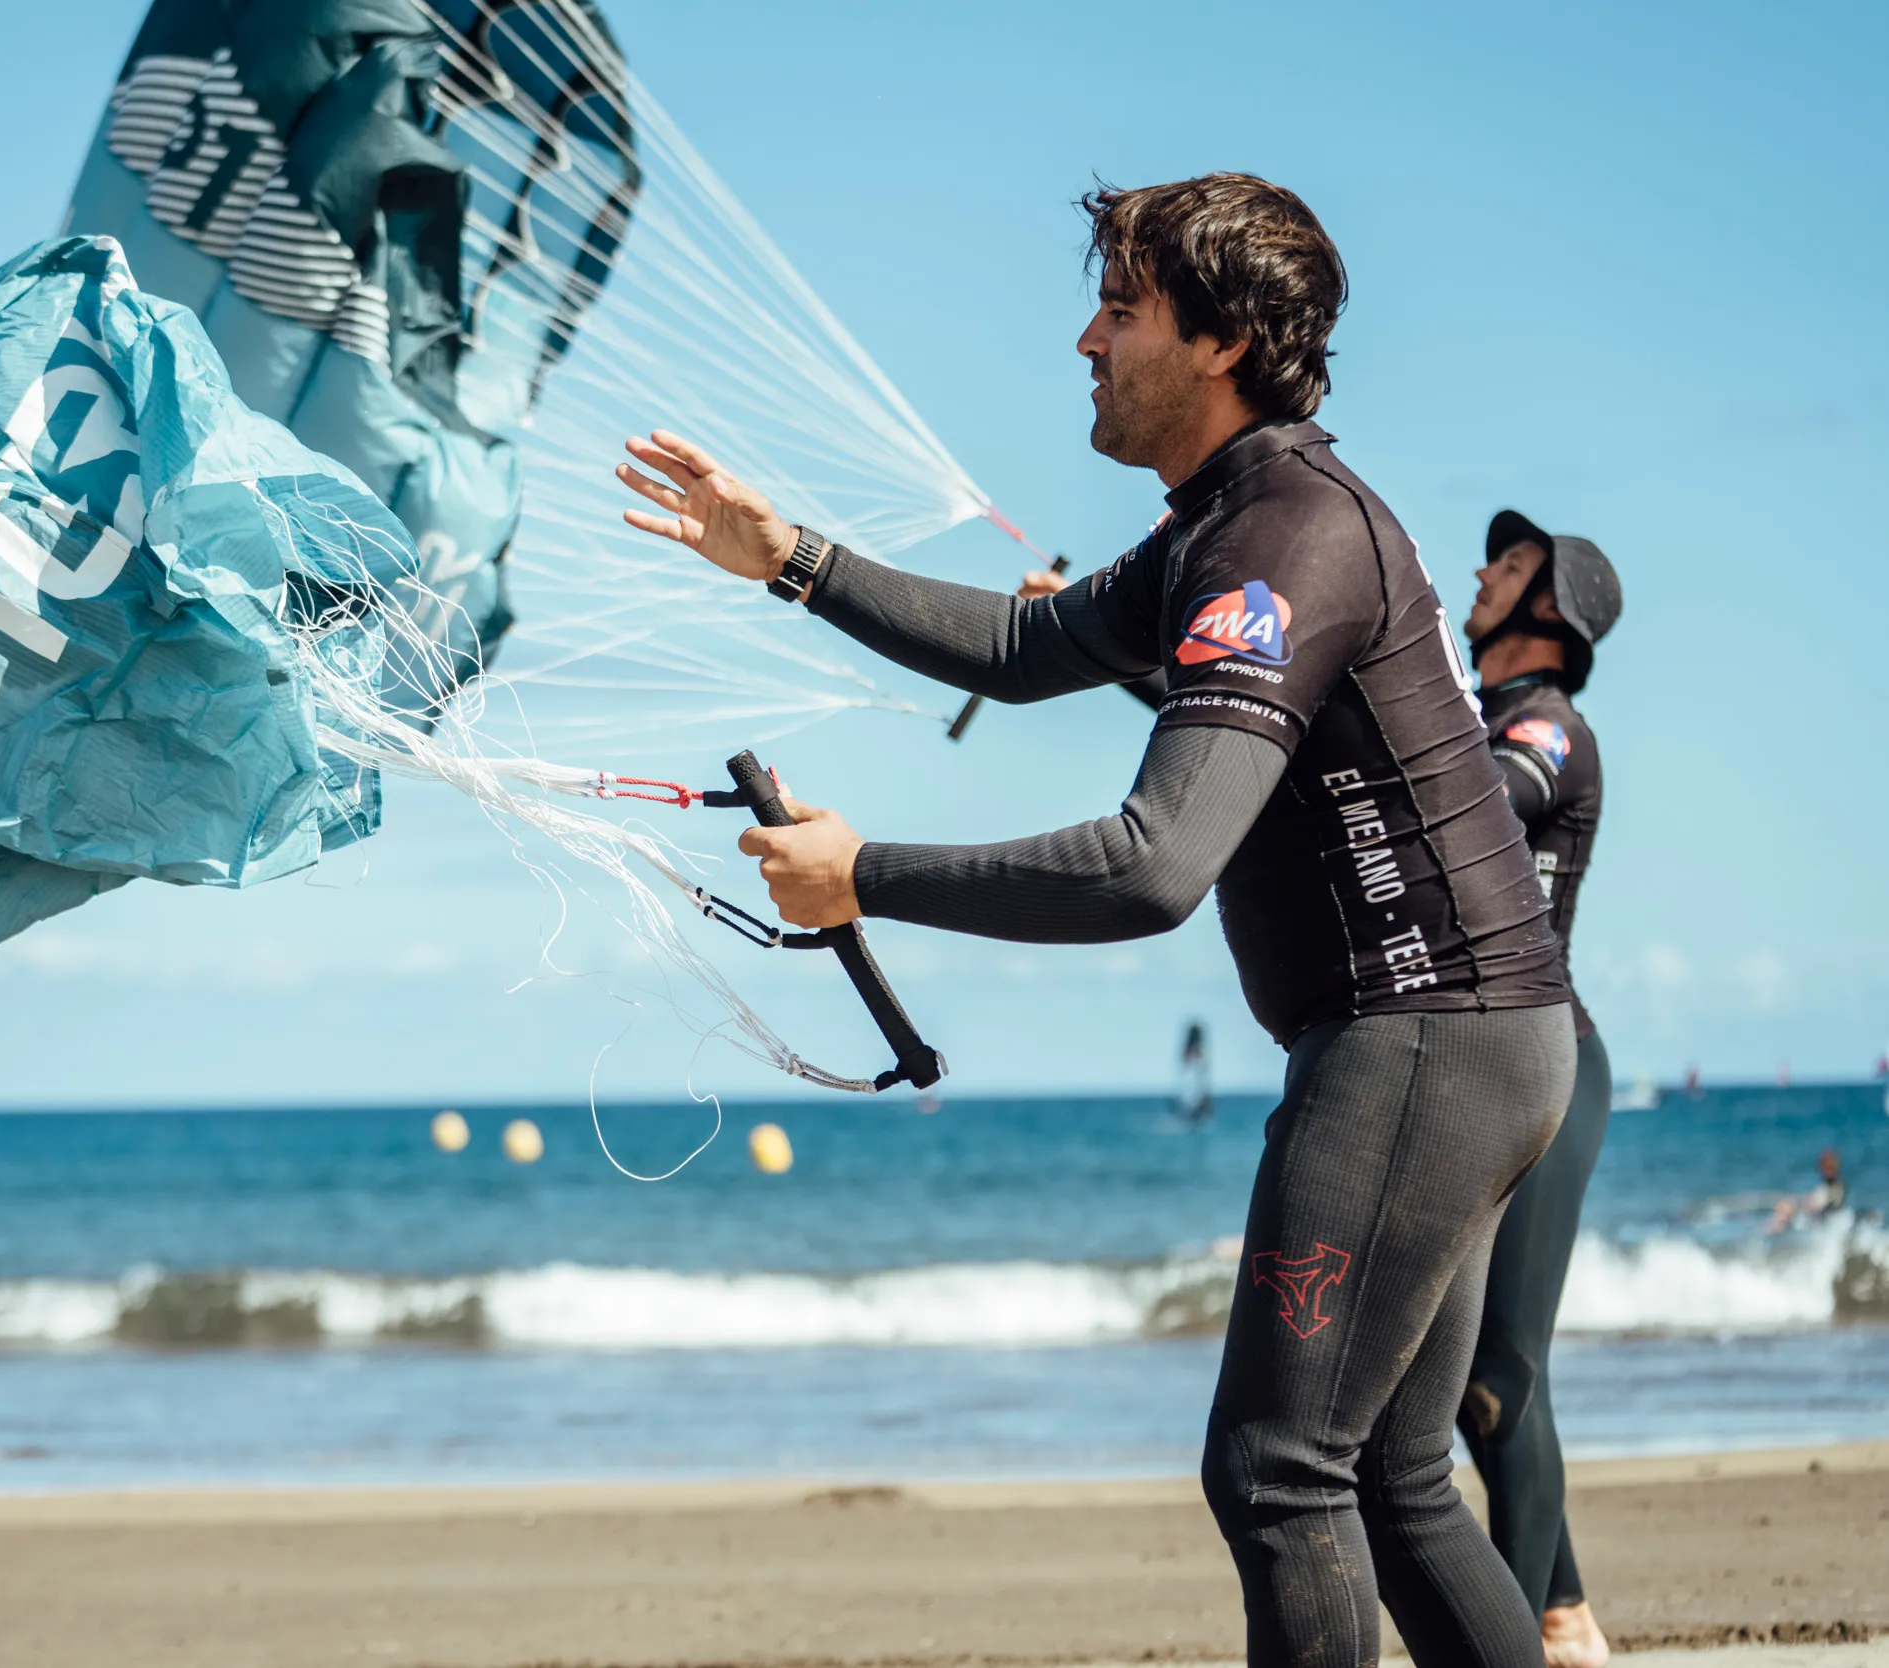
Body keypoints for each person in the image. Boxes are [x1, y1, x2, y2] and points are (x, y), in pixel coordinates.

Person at [617, 172, 1576, 1668]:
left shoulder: (1283, 537)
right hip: (1483, 1040)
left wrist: (866, 874)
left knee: (1279, 1475)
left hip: (1423, 1040)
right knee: (1387, 1482)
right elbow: (1020, 644)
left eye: (1119, 310)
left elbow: (1152, 866)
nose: (1083, 339)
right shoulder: (1232, 517)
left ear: (1216, 342)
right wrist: (787, 555)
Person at [1453, 511, 1622, 1668]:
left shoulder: (1549, 731)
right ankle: (1562, 1620)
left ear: (1547, 611)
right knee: (1477, 1377)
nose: (1478, 571)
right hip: (1480, 1077)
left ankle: (1523, 1638)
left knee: (1496, 1380)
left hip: (1550, 1075)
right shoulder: (1482, 725)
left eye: (1506, 567)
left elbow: (1475, 801)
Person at [1768, 1148, 1847, 1232]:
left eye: (1823, 1165)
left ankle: (1772, 1236)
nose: (1820, 1169)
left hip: (1818, 1222)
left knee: (1785, 1208)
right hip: (1816, 1219)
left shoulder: (1834, 1187)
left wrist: (1798, 1205)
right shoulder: (1834, 1185)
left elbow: (1821, 1206)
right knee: (1786, 1207)